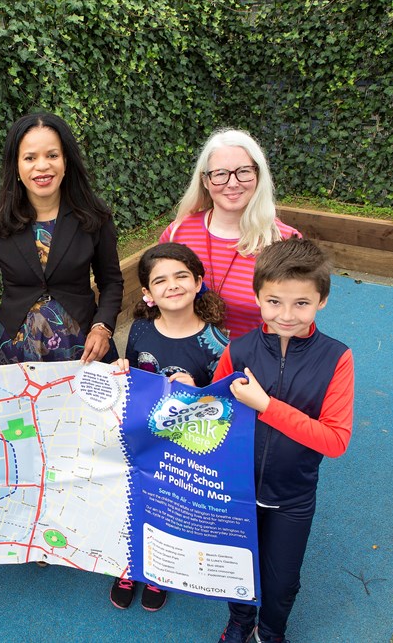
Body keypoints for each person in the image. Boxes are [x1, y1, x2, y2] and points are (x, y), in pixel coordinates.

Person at [212, 238, 354, 643]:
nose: (287, 315)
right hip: (236, 489)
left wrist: (266, 405)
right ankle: (239, 621)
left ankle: (270, 631)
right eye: (274, 302)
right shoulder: (238, 349)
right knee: (236, 566)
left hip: (292, 496)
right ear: (257, 296)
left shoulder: (337, 358)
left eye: (301, 304)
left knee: (282, 580)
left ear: (322, 300)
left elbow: (335, 439)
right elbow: (212, 413)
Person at [109, 242, 229, 613]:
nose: (172, 285)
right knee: (132, 500)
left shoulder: (219, 344)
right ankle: (129, 563)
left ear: (198, 283)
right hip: (142, 441)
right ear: (147, 294)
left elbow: (227, 409)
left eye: (181, 276)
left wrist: (198, 395)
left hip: (184, 452)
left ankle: (160, 569)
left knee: (170, 506)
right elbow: (132, 381)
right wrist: (121, 375)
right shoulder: (140, 332)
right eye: (160, 280)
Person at [0, 112, 123, 369]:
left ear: (66, 161)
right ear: (15, 165)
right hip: (12, 349)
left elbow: (111, 282)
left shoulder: (94, 215)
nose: (42, 166)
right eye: (30, 158)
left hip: (83, 346)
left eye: (52, 155)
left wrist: (102, 327)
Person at [160, 129, 300, 338]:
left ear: (258, 175)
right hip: (186, 364)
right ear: (205, 181)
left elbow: (297, 321)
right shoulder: (178, 233)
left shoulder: (285, 242)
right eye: (220, 174)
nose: (233, 183)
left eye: (243, 171)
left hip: (252, 365)